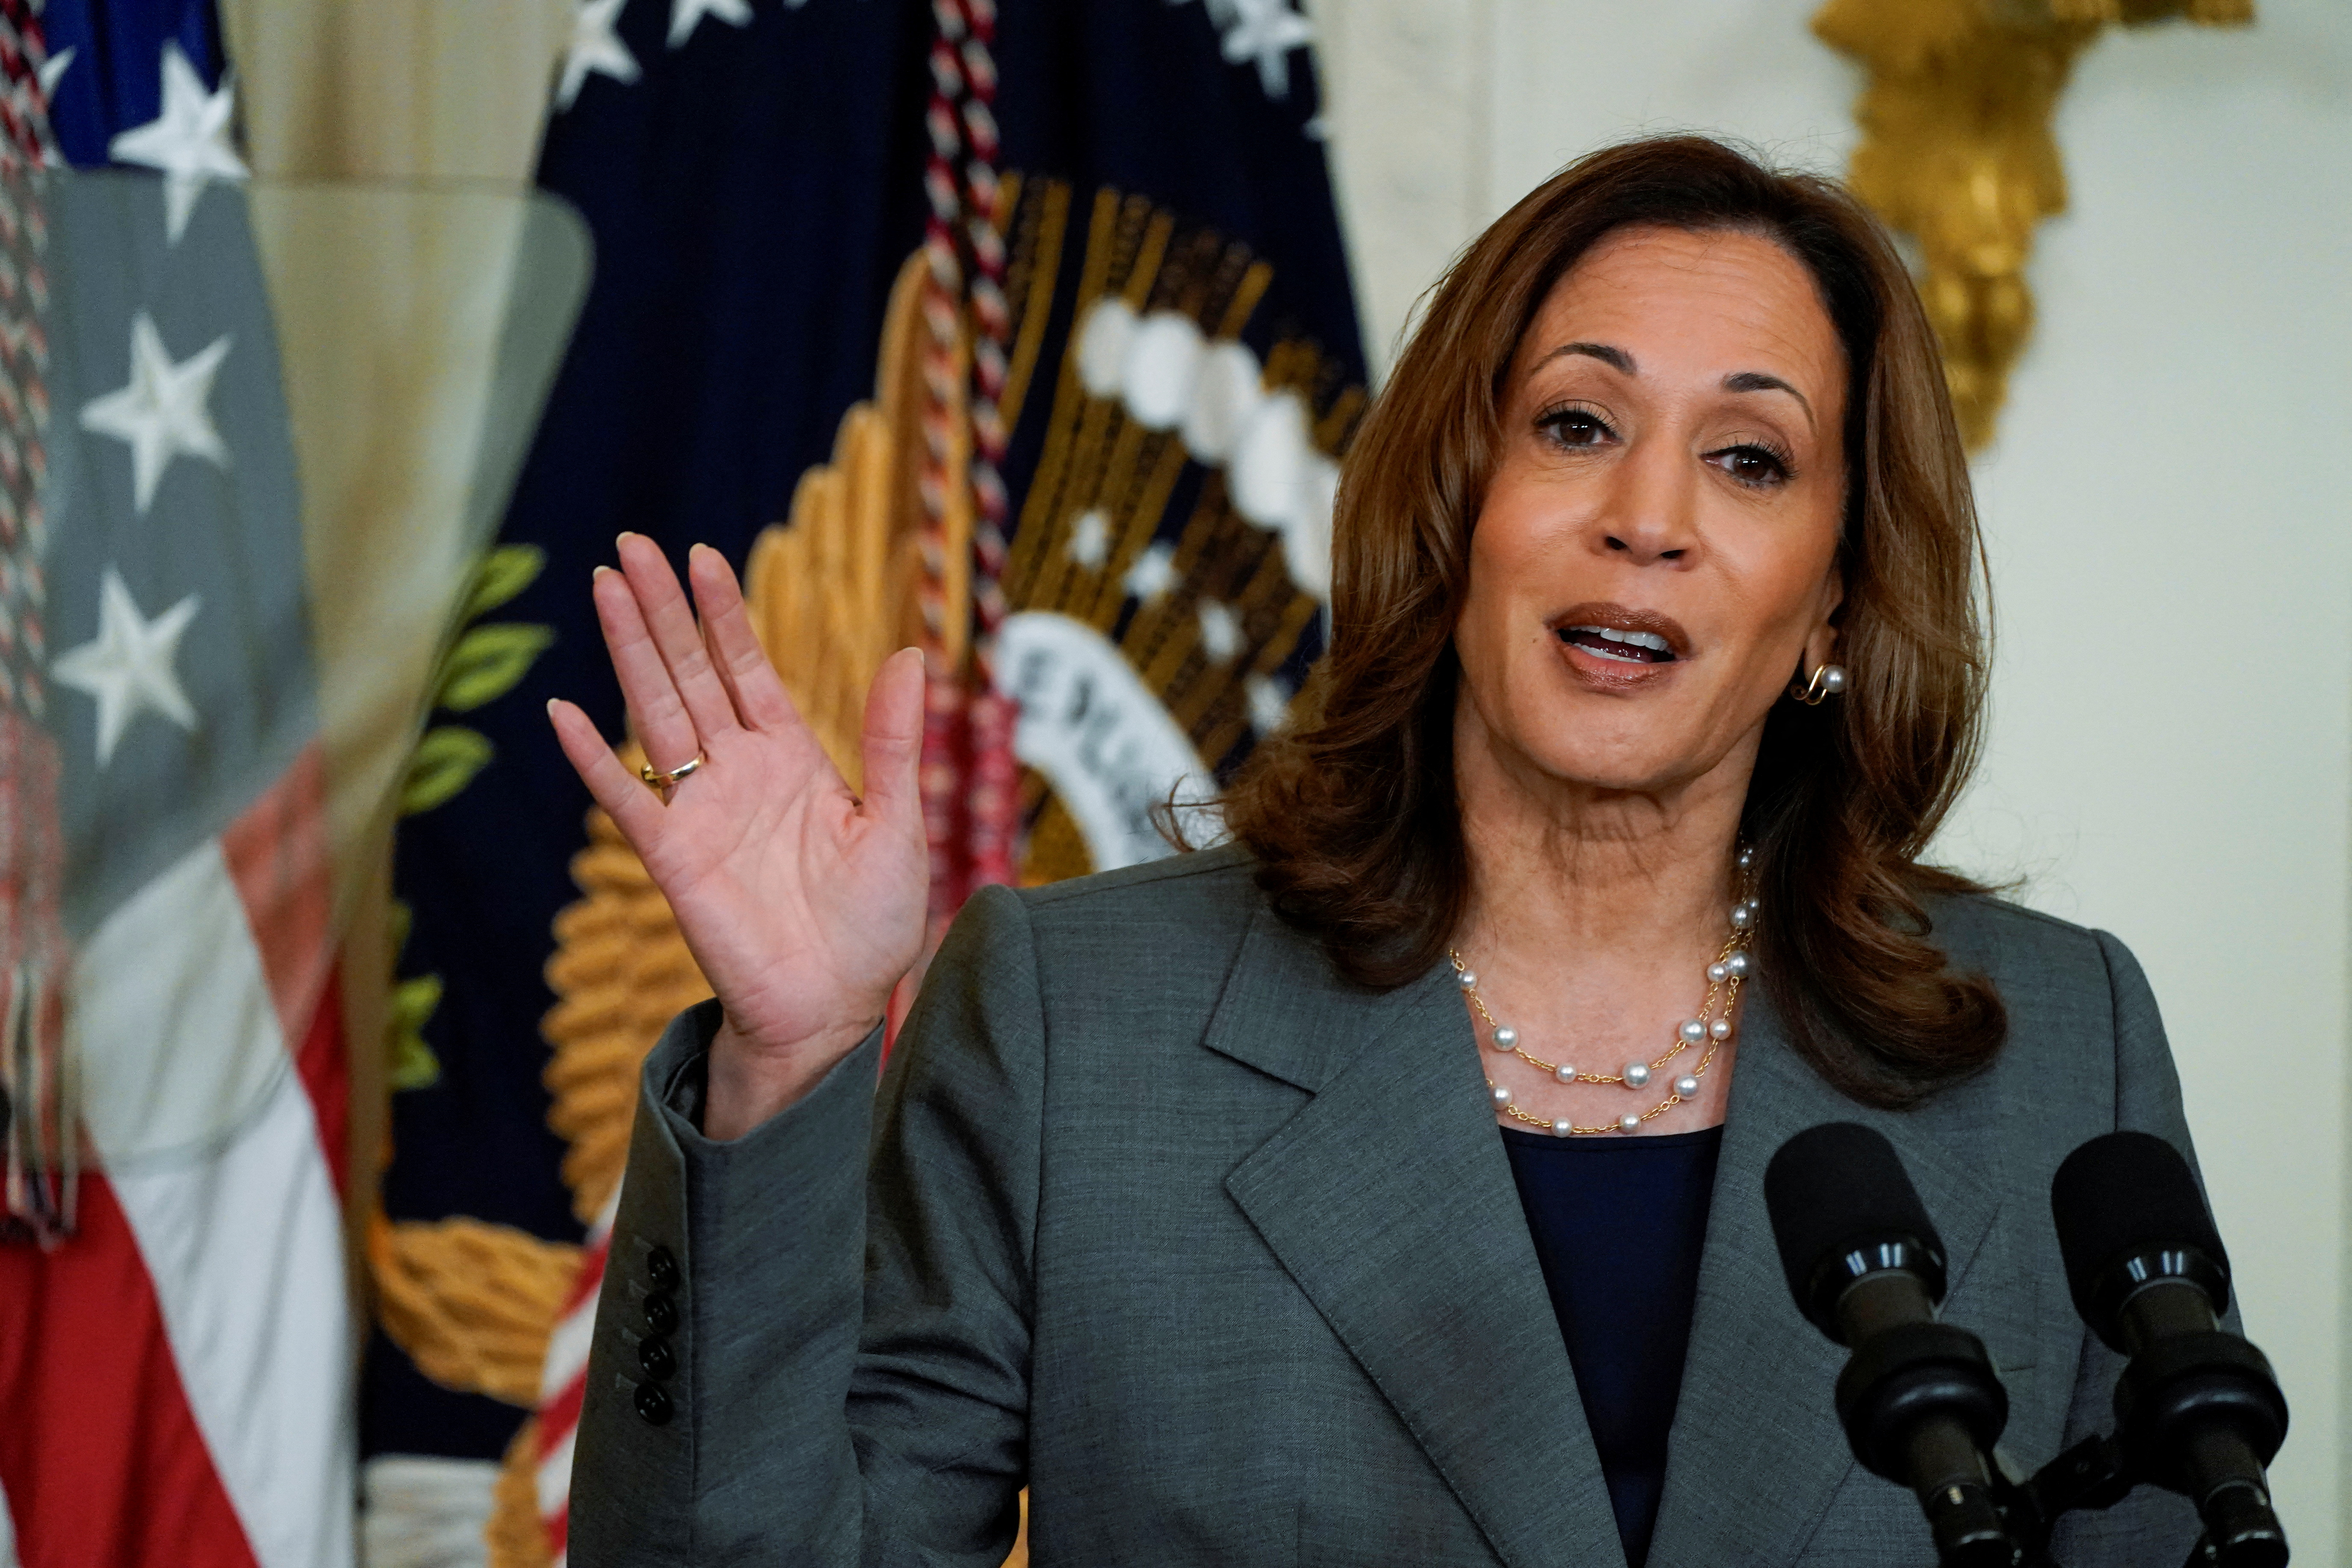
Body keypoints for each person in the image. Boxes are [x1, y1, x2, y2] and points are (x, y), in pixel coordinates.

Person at [550, 135, 2217, 1567]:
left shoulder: (2059, 1050)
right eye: (1575, 423)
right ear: (1454, 504)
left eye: (1748, 456)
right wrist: (786, 1060)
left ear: (1834, 601)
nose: (1649, 512)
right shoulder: (1075, 1022)